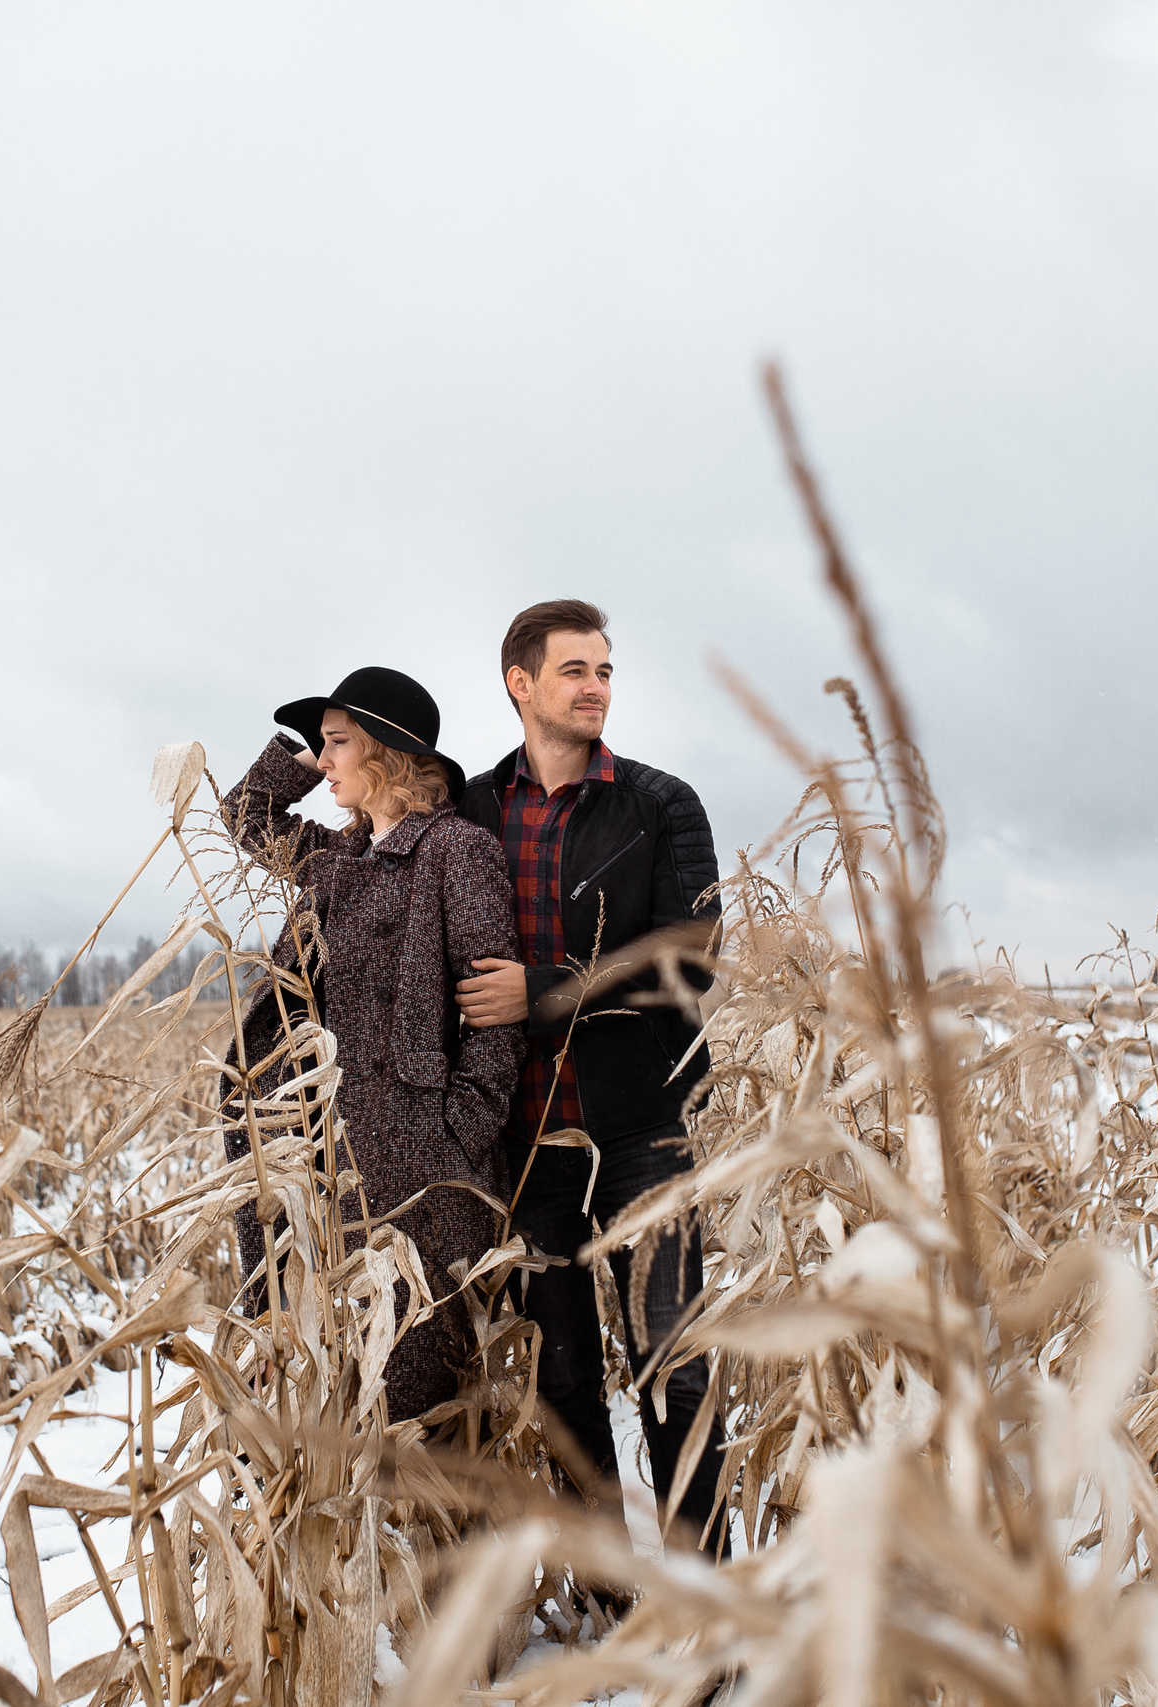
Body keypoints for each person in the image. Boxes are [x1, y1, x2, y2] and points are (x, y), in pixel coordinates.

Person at [453, 599, 732, 1554]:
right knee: (563, 1378)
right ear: (520, 682)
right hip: (526, 1142)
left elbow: (689, 958)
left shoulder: (661, 804)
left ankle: (705, 1591)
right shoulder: (473, 811)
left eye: (605, 671)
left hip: (641, 1130)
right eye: (575, 670)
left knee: (673, 1367)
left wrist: (542, 991)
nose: (595, 688)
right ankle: (610, 1591)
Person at [221, 665, 524, 1423]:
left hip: (420, 1174)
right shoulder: (338, 860)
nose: (324, 761)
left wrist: (456, 1134)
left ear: (387, 750)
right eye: (321, 745)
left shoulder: (456, 850)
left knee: (413, 1400)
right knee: (335, 1387)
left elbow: (496, 1014)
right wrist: (308, 748)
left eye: (338, 743)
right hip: (327, 1161)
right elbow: (246, 813)